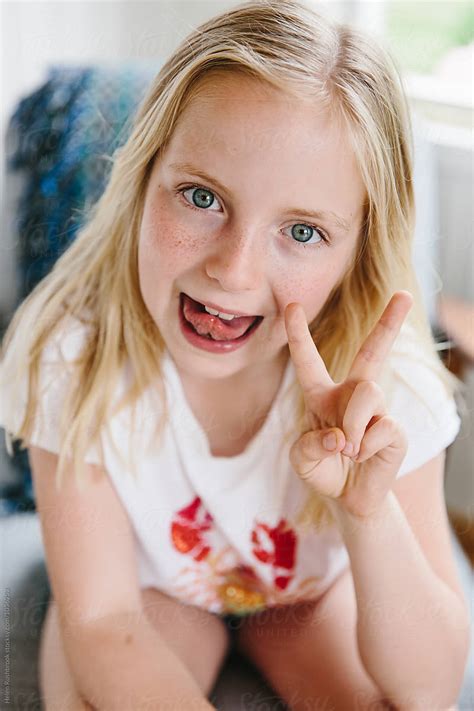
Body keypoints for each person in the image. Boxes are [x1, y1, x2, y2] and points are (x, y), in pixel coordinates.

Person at [0, 1, 469, 709]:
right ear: (141, 177)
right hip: (152, 588)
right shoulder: (72, 353)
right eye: (200, 197)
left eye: (303, 232)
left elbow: (430, 688)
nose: (235, 270)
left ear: (357, 252)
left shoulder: (389, 384)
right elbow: (103, 618)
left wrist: (368, 513)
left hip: (312, 594)